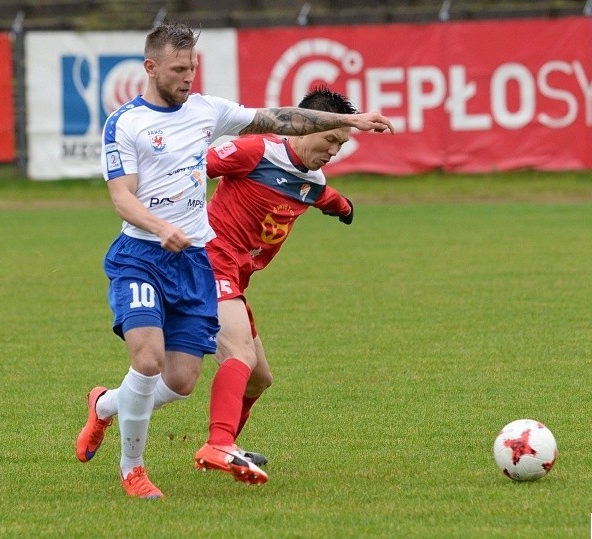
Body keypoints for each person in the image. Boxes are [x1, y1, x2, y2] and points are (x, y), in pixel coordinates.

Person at [75, 20, 394, 499]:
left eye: (193, 68)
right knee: (150, 359)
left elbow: (284, 126)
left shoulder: (208, 111)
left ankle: (105, 407)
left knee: (187, 381)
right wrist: (163, 225)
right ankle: (143, 468)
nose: (188, 77)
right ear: (151, 67)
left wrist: (348, 125)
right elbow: (126, 194)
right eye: (180, 68)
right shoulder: (127, 122)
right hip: (149, 254)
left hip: (195, 264)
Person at [193, 86, 358, 483]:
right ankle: (218, 444)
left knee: (259, 378)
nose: (334, 150)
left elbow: (321, 194)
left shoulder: (313, 178)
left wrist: (344, 208)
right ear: (303, 126)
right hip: (209, 263)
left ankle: (224, 442)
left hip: (236, 276)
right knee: (239, 354)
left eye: (340, 143)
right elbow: (196, 168)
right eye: (330, 138)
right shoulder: (255, 151)